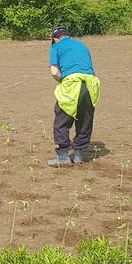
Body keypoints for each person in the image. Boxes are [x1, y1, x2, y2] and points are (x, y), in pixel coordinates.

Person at [48, 26, 100, 167]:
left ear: (55, 38)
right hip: (91, 85)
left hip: (72, 84)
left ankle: (63, 156)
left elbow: (54, 71)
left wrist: (62, 80)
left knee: (62, 119)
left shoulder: (56, 47)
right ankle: (78, 156)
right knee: (84, 119)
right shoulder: (82, 46)